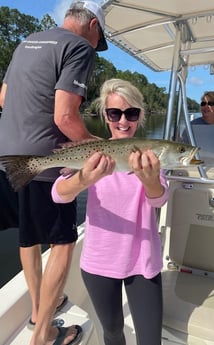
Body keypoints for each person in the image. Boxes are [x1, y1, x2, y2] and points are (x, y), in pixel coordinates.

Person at [0, 1, 108, 344]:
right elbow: (65, 117)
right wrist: (98, 146)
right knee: (62, 243)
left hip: (6, 156)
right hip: (43, 162)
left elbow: (4, 97)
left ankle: (37, 311)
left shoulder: (28, 41)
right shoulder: (78, 47)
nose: (96, 47)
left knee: (28, 237)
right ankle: (43, 334)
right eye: (98, 39)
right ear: (92, 25)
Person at [51, 78, 169, 345]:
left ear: (141, 116)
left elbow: (160, 199)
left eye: (131, 113)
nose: (123, 121)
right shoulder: (94, 153)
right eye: (115, 113)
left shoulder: (151, 154)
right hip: (99, 261)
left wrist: (149, 179)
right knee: (113, 332)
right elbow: (58, 194)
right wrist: (84, 179)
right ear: (105, 116)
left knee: (150, 340)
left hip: (143, 261)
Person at [182, 91, 214, 168]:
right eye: (203, 104)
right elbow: (184, 150)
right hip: (197, 168)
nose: (206, 106)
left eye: (210, 103)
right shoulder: (192, 126)